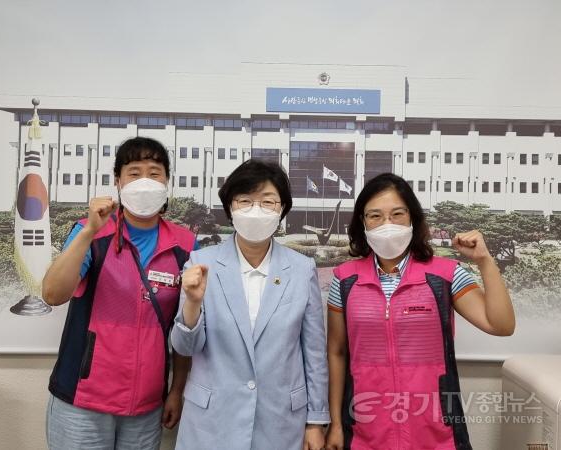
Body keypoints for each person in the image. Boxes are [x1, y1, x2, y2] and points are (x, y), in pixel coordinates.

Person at [325, 173, 515, 450]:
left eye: (397, 214)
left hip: (437, 432)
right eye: (375, 216)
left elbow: (501, 325)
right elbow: (337, 352)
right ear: (362, 223)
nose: (386, 224)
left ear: (412, 218)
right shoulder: (344, 280)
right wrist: (336, 424)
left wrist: (485, 261)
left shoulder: (444, 275)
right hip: (365, 432)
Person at [42, 137, 198, 450]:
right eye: (134, 172)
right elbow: (53, 294)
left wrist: (177, 389)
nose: (144, 180)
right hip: (83, 400)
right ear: (118, 181)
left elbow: (186, 328)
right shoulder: (91, 231)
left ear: (167, 182)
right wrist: (88, 232)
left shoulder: (185, 245)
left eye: (154, 173)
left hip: (146, 406)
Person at [171, 159, 329, 450]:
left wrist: (316, 422)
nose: (256, 210)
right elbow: (184, 347)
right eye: (245, 200)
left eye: (268, 201)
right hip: (211, 422)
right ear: (230, 208)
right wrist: (192, 303)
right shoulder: (202, 264)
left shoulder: (302, 268)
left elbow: (314, 354)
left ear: (282, 209)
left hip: (281, 422)